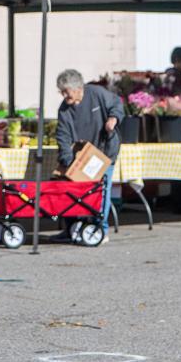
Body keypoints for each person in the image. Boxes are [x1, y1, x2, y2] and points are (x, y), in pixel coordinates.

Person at [54, 69, 123, 243]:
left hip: (104, 151)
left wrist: (113, 119)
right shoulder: (64, 110)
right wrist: (68, 162)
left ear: (78, 88)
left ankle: (100, 228)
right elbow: (63, 136)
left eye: (66, 91)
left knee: (102, 191)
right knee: (72, 190)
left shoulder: (97, 93)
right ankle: (71, 228)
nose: (63, 95)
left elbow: (117, 104)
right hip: (81, 156)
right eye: (61, 91)